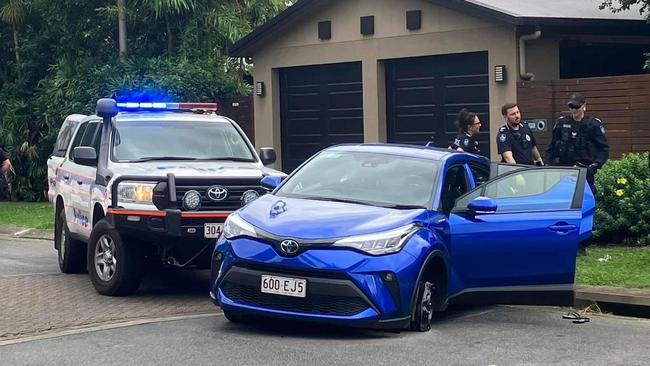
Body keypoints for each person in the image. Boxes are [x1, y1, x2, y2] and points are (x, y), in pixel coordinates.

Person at [545, 92, 609, 195]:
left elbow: (604, 149)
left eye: (576, 106)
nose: (574, 110)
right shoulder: (562, 123)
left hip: (585, 172)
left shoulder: (593, 125)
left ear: (584, 106)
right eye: (571, 106)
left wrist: (595, 165)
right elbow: (552, 147)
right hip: (564, 170)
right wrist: (548, 165)